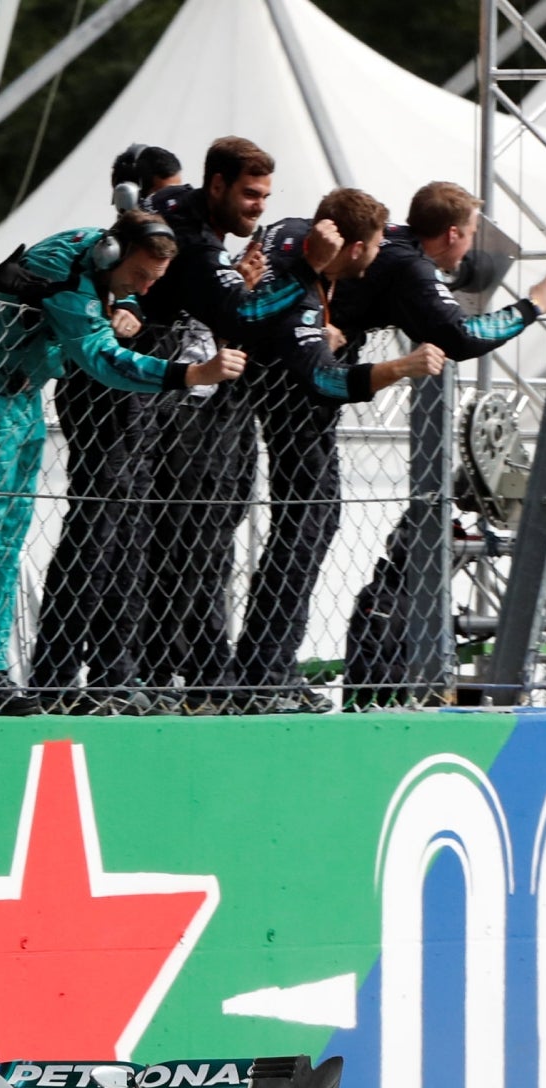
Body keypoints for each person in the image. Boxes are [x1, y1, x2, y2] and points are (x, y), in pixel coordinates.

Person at [0, 212, 249, 705]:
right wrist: (191, 374)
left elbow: (115, 296)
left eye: (154, 281)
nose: (146, 289)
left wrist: (124, 301)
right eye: (141, 276)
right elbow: (103, 361)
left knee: (9, 537)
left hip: (24, 395)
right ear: (113, 253)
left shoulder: (98, 258)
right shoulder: (65, 274)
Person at [231, 189, 447, 704]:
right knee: (305, 524)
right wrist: (402, 366)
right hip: (276, 403)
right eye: (372, 247)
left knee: (309, 523)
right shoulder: (298, 274)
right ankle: (261, 672)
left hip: (265, 401)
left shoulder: (293, 246)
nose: (376, 259)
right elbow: (323, 380)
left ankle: (264, 667)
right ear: (352, 248)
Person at [131, 136, 328, 699]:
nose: (258, 207)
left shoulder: (181, 209)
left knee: (203, 534)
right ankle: (176, 672)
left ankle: (196, 669)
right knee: (190, 537)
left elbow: (227, 301)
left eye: (265, 196)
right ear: (215, 185)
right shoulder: (190, 236)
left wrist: (239, 280)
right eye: (248, 194)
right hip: (173, 405)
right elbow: (240, 314)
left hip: (187, 400)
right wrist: (305, 273)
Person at [29, 143, 179, 704]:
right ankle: (55, 677)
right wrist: (184, 372)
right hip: (100, 405)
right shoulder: (84, 263)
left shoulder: (130, 271)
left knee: (130, 543)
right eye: (164, 193)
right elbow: (97, 340)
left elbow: (131, 299)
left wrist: (133, 310)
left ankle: (116, 672)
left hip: (137, 409)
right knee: (92, 540)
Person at [331, 181, 546, 359]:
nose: (472, 245)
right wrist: (533, 305)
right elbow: (462, 336)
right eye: (472, 234)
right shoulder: (411, 266)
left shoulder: (391, 237)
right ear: (453, 234)